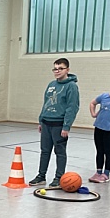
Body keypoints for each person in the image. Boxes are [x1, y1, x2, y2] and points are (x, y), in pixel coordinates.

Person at [28, 58, 80, 188]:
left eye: (60, 68)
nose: (57, 71)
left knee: (60, 151)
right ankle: (41, 176)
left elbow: (72, 107)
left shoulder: (71, 86)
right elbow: (46, 103)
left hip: (59, 124)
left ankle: (59, 177)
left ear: (67, 70)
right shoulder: (51, 84)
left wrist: (66, 126)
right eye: (55, 69)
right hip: (46, 123)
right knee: (45, 151)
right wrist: (41, 120)